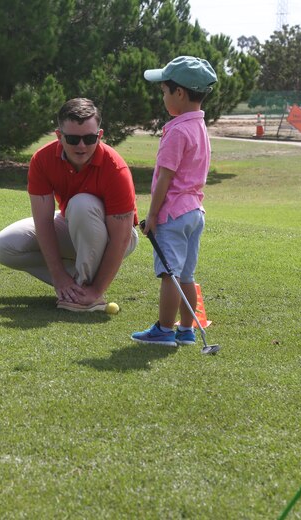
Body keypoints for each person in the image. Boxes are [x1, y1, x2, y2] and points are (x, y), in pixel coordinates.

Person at [0, 98, 138, 312]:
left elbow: (122, 237)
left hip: (118, 237)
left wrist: (98, 289)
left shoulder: (115, 168)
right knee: (5, 247)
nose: (81, 146)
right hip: (73, 224)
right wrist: (59, 276)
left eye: (89, 139)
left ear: (100, 135)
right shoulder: (42, 160)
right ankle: (75, 288)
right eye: (72, 139)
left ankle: (87, 295)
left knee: (82, 203)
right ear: (59, 136)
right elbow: (43, 222)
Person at [130, 56, 217, 346]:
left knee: (169, 274)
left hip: (173, 214)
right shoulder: (199, 128)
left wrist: (152, 216)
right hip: (195, 212)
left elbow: (164, 179)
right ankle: (186, 330)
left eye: (165, 91)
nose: (163, 96)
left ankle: (165, 330)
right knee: (186, 275)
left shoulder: (176, 131)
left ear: (179, 93)